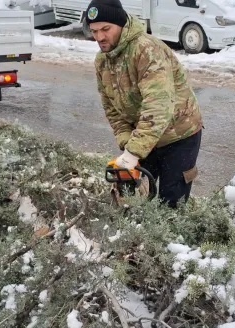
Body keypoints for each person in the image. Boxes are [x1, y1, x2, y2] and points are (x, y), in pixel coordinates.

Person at [86, 0, 204, 208]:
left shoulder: (146, 50)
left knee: (171, 202)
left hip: (178, 134)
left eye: (106, 29)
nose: (100, 37)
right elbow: (111, 107)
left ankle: (173, 234)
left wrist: (133, 153)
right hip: (142, 135)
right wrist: (125, 141)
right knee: (133, 194)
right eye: (94, 31)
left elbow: (158, 108)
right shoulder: (102, 60)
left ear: (121, 24)